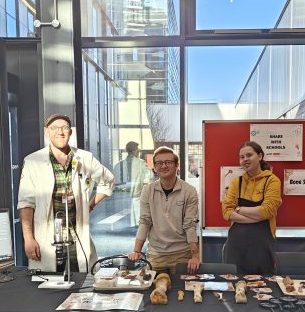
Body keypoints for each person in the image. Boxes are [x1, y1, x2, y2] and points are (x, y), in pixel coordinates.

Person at [18, 114, 115, 273]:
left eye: (64, 128)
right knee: (49, 289)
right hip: (47, 240)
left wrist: (90, 205)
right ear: (46, 132)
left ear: (71, 132)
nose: (60, 132)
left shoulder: (85, 158)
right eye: (54, 128)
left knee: (82, 288)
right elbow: (26, 203)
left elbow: (108, 180)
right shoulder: (32, 161)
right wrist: (28, 238)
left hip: (77, 239)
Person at [128, 146, 200, 274]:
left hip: (182, 253)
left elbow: (190, 225)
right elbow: (145, 221)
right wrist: (137, 251)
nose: (163, 166)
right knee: (152, 291)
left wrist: (195, 256)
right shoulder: (148, 190)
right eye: (159, 163)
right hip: (156, 254)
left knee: (182, 290)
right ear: (155, 167)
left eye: (168, 162)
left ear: (177, 165)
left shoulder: (189, 191)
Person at [221, 141, 282, 274]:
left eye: (249, 155)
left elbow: (267, 211)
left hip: (262, 248)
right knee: (234, 286)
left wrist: (238, 209)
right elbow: (226, 212)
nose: (245, 160)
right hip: (235, 247)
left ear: (259, 156)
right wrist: (255, 217)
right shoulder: (236, 182)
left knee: (264, 289)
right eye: (242, 157)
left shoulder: (272, 181)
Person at [113, 141, 152, 227]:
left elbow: (115, 181)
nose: (139, 151)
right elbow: (149, 178)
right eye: (138, 150)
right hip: (137, 194)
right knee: (138, 217)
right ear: (134, 150)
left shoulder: (118, 165)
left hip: (122, 195)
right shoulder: (141, 163)